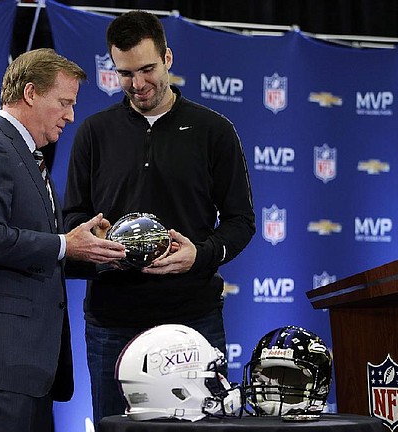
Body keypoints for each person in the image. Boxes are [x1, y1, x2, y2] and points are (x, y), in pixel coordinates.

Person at [62, 11, 256, 429]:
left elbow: (241, 221)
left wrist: (200, 255)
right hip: (112, 319)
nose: (138, 84)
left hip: (193, 316)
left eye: (148, 69)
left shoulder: (214, 130)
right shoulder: (93, 133)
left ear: (168, 57)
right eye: (125, 73)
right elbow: (73, 216)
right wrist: (98, 248)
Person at [0, 48, 126, 432]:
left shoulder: (29, 157)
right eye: (64, 102)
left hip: (29, 366)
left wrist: (99, 254)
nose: (71, 116)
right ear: (30, 93)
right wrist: (64, 244)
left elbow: (37, 250)